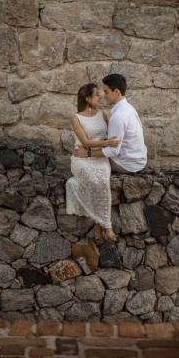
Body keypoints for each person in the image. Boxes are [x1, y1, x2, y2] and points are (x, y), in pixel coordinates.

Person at [65, 83, 120, 244]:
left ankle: (98, 225)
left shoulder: (103, 114)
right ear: (88, 98)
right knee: (93, 180)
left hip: (100, 158)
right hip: (81, 159)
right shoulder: (76, 118)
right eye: (97, 94)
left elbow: (111, 136)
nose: (101, 96)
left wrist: (107, 142)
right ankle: (107, 226)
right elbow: (85, 141)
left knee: (102, 181)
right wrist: (107, 143)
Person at [73, 74, 147, 174]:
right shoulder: (129, 108)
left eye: (106, 92)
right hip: (137, 159)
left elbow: (113, 151)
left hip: (126, 164)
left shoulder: (118, 117)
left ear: (116, 92)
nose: (103, 96)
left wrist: (88, 153)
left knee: (91, 165)